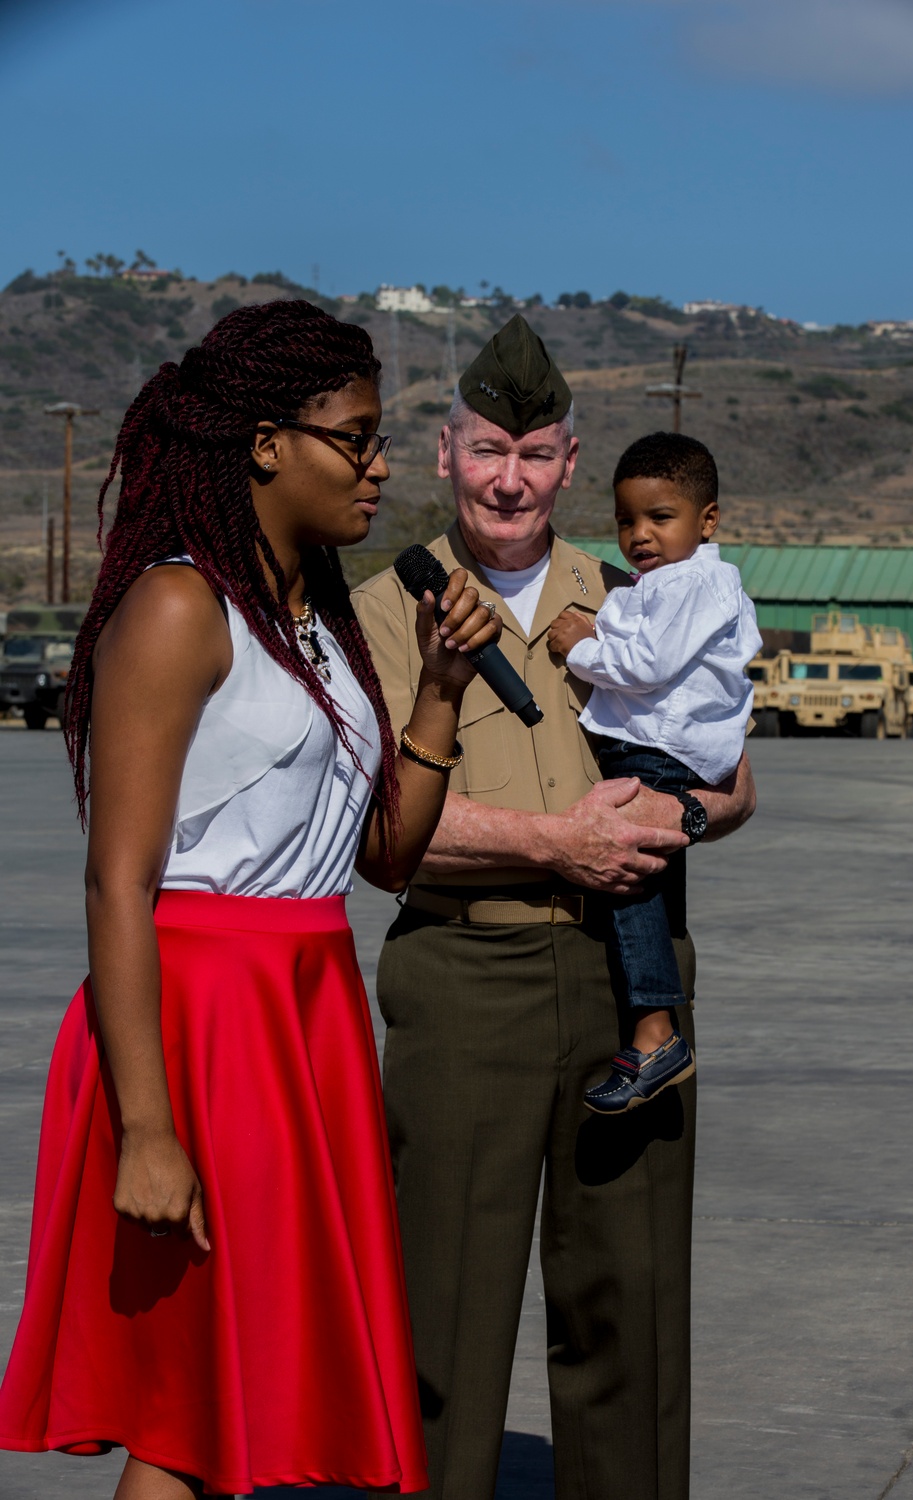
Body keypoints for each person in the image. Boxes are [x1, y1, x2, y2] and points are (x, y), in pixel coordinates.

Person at [0, 300, 501, 1500]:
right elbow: (117, 878)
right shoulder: (180, 609)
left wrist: (436, 694)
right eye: (359, 437)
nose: (381, 466)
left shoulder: (321, 621)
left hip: (306, 1009)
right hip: (196, 1023)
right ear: (267, 442)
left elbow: (382, 858)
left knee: (249, 1406)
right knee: (188, 1420)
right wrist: (149, 1125)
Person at [352, 314, 756, 1500]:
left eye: (534, 455)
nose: (510, 478)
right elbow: (383, 823)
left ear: (570, 463)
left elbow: (735, 782)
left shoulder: (643, 592)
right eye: (487, 450)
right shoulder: (381, 610)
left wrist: (677, 820)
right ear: (444, 453)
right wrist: (561, 841)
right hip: (464, 981)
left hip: (626, 985)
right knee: (444, 1318)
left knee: (629, 1311)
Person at [547, 431, 761, 1114]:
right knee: (653, 894)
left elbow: (646, 668)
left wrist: (581, 646)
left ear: (708, 520)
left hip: (657, 752)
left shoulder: (692, 582)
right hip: (663, 747)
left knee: (627, 881)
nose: (639, 535)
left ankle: (654, 1035)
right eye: (625, 520)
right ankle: (658, 1023)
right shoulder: (668, 582)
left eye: (659, 518)